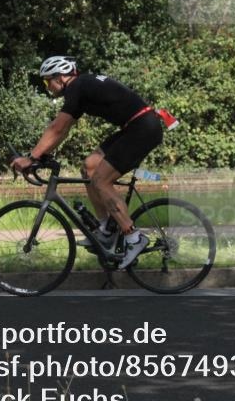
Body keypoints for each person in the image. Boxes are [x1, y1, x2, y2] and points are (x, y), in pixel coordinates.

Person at [10, 56, 164, 269]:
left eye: (47, 81)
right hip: (136, 126)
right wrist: (41, 154)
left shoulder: (78, 87)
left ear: (61, 77)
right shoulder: (81, 89)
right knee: (90, 166)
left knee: (101, 181)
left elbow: (58, 128)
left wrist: (31, 158)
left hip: (142, 128)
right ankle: (106, 230)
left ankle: (133, 238)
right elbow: (62, 130)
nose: (47, 87)